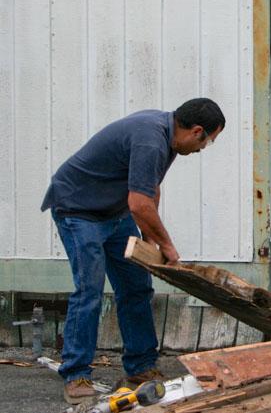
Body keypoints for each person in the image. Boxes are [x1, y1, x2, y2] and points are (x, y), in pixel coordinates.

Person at [41, 98, 225, 404]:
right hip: (77, 209)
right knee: (89, 291)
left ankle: (140, 368)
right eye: (209, 141)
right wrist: (167, 247)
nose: (204, 148)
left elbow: (150, 189)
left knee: (136, 286)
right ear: (196, 131)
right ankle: (76, 376)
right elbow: (139, 203)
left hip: (114, 213)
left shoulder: (167, 138)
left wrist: (147, 242)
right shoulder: (151, 139)